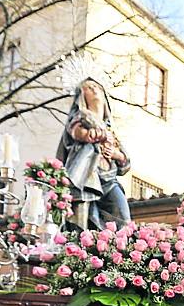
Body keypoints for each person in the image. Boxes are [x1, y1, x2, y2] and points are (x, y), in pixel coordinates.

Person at [56, 78, 131, 229]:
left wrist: (115, 154)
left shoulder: (110, 128)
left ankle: (115, 247)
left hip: (109, 179)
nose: (94, 90)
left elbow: (125, 163)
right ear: (81, 96)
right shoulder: (80, 118)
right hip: (86, 178)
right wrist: (99, 135)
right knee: (81, 220)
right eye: (89, 88)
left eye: (97, 87)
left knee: (123, 219)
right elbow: (78, 133)